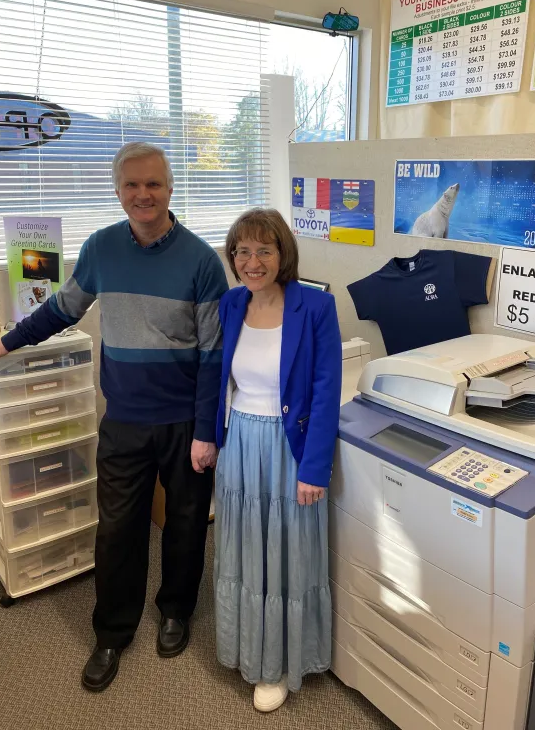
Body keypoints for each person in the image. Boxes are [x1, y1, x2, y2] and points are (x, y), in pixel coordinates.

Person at [0, 142, 228, 692]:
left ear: (169, 189)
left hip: (186, 422)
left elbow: (214, 354)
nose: (143, 195)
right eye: (132, 185)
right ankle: (112, 631)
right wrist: (7, 341)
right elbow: (61, 308)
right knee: (118, 530)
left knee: (186, 525)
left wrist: (209, 431)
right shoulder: (100, 249)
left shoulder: (203, 261)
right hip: (124, 420)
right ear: (118, 191)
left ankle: (176, 611)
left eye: (154, 184)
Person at [213, 208, 342, 712]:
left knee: (288, 553)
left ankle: (281, 664)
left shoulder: (315, 307)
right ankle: (248, 647)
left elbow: (326, 389)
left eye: (264, 249)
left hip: (290, 448)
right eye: (242, 251)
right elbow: (217, 378)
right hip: (240, 442)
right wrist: (209, 438)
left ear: (283, 253)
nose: (253, 261)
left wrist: (315, 468)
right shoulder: (230, 304)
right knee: (245, 548)